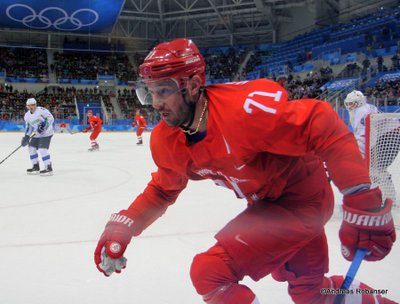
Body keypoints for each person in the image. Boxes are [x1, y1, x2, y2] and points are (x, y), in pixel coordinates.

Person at [94, 39, 397, 304]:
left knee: (210, 273)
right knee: (312, 294)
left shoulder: (243, 112)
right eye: (149, 93)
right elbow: (163, 189)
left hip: (302, 201)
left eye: (164, 90)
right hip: (270, 202)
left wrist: (361, 196)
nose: (157, 103)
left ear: (195, 85)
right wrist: (126, 226)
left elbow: (320, 122)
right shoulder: (167, 139)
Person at [21, 97, 54, 175]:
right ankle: (35, 166)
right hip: (37, 133)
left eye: (32, 105)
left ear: (35, 105)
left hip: (46, 133)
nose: (31, 107)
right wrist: (27, 136)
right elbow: (29, 127)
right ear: (27, 106)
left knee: (42, 149)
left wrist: (43, 126)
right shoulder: (27, 116)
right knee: (31, 148)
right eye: (29, 105)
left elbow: (50, 118)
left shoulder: (42, 110)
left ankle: (48, 167)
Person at [344, 90, 378, 158]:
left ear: (359, 102)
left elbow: (361, 134)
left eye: (351, 103)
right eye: (347, 104)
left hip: (370, 139)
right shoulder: (369, 107)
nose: (349, 106)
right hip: (376, 138)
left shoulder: (361, 110)